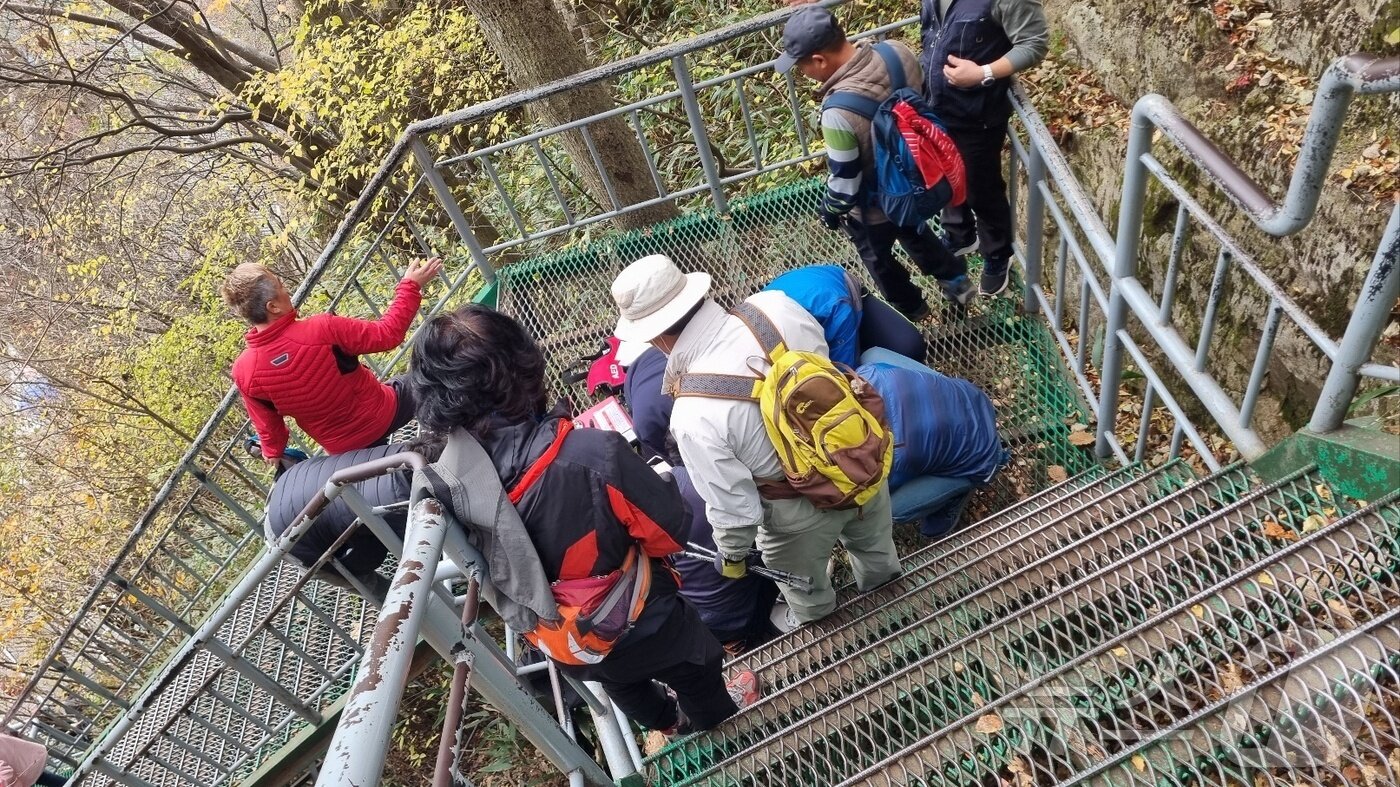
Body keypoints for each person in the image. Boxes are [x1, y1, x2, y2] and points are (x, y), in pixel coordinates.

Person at [409, 305, 759, 735]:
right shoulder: (593, 455)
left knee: (618, 680)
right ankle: (714, 722)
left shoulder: (442, 486)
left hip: (566, 638)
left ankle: (666, 723)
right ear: (523, 366)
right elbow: (670, 528)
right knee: (696, 664)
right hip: (644, 617)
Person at [610, 254, 901, 628]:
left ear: (656, 336)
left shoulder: (692, 414)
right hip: (857, 460)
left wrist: (732, 558)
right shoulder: (776, 307)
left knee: (808, 593)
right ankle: (894, 610)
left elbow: (735, 509)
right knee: (877, 552)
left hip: (795, 514)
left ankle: (839, 639)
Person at [775, 6, 972, 321]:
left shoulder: (837, 112)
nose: (802, 74)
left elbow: (845, 180)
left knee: (878, 260)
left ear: (819, 60)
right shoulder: (897, 52)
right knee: (917, 234)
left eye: (801, 67)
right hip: (920, 180)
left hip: (874, 209)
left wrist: (831, 211)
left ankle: (917, 312)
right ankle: (958, 284)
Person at [622, 347, 782, 654]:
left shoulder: (643, 513)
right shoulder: (720, 485)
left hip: (707, 624)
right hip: (751, 598)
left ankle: (736, 643)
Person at [222, 257, 443, 465]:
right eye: (280, 285)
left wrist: (273, 453)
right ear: (273, 307)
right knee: (433, 378)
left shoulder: (244, 372)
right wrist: (410, 286)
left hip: (345, 450)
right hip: (383, 414)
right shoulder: (321, 329)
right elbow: (387, 334)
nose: (287, 290)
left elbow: (270, 429)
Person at [920, 0, 1048, 295]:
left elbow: (1035, 42)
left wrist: (984, 72)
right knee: (944, 174)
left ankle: (997, 253)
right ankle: (959, 232)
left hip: (977, 114)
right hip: (936, 106)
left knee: (982, 187)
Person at [857, 347, 1010, 537]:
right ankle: (936, 389)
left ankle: (961, 487)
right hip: (971, 396)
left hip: (983, 453)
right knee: (870, 355)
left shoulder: (887, 459)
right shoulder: (866, 375)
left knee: (888, 509)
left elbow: (869, 499)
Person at [262, 443, 413, 599]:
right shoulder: (400, 494)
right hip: (286, 535)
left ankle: (410, 602)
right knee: (358, 581)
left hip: (293, 484)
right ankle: (405, 604)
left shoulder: (402, 453)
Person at [762, 263, 926, 366]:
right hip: (806, 306)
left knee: (909, 348)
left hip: (841, 299)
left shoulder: (831, 305)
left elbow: (845, 372)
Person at [0, 730, 65, 787]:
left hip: (23, 765)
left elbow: (6, 772)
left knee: (45, 778)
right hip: (23, 761)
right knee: (46, 779)